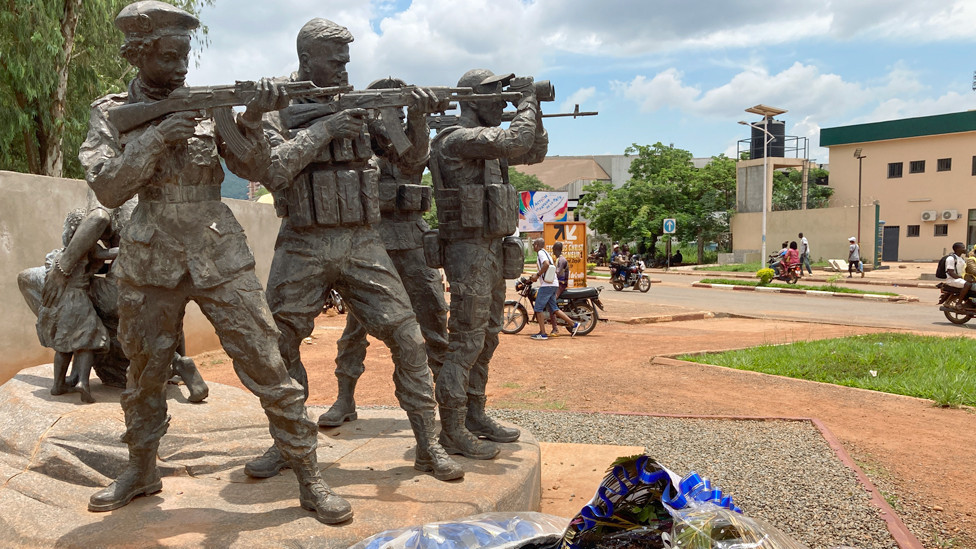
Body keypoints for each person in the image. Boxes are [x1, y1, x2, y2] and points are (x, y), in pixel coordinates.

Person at [79, 2, 348, 524]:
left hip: (217, 249)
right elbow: (108, 188)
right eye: (169, 55)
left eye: (185, 55)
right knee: (145, 371)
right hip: (150, 256)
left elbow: (260, 168)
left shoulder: (208, 102)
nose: (181, 66)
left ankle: (309, 476)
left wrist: (248, 116)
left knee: (266, 363)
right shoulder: (110, 108)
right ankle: (141, 469)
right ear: (139, 54)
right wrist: (157, 138)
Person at [243, 19, 462, 483]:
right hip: (304, 239)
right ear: (306, 60)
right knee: (279, 345)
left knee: (409, 339)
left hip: (363, 241)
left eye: (347, 59)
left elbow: (408, 162)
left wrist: (417, 119)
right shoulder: (275, 106)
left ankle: (428, 446)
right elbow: (273, 170)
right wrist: (326, 129)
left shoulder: (361, 103)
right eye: (335, 59)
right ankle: (286, 444)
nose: (345, 67)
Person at [318, 77, 451, 458]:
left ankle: (448, 414)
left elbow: (416, 157)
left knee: (433, 326)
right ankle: (345, 399)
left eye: (390, 112)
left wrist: (418, 118)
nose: (383, 120)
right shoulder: (357, 145)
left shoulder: (410, 142)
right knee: (354, 331)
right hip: (371, 244)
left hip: (411, 241)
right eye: (380, 111)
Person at [429, 68, 547, 458]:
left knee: (490, 335)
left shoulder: (488, 145)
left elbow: (534, 149)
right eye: (493, 93)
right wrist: (527, 98)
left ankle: (475, 414)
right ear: (469, 99)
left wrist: (535, 108)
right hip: (467, 250)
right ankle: (451, 429)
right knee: (466, 340)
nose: (501, 99)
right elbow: (517, 139)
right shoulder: (456, 138)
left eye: (503, 92)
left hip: (493, 247)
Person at [34, 209, 113, 403]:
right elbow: (106, 255)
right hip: (81, 304)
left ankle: (58, 384)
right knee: (86, 343)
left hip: (63, 306)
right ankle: (83, 383)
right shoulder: (90, 251)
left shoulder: (56, 256)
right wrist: (127, 249)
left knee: (63, 346)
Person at [528, 238, 579, 340]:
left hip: (547, 285)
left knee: (538, 308)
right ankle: (573, 324)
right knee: (554, 308)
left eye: (534, 244)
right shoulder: (546, 253)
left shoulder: (541, 253)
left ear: (537, 245)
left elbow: (546, 264)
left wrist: (537, 275)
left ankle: (542, 333)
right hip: (553, 284)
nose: (533, 246)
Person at [548, 241, 570, 335]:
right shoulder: (558, 259)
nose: (553, 251)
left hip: (561, 285)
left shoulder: (561, 260)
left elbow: (556, 272)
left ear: (557, 250)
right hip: (557, 284)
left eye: (553, 249)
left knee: (551, 303)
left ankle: (555, 328)